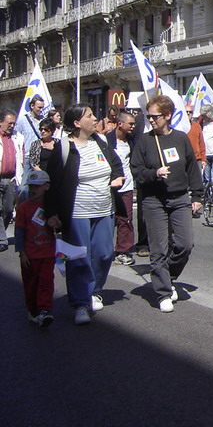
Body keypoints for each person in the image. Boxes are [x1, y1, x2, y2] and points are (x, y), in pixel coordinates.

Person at [44, 104, 125, 325]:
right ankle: (80, 303)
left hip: (104, 210)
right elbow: (50, 184)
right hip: (77, 212)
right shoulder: (63, 149)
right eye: (89, 116)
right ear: (77, 123)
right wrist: (51, 213)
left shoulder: (101, 142)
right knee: (78, 257)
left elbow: (116, 166)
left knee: (105, 253)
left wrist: (118, 178)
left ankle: (94, 290)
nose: (95, 118)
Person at [130, 95, 204, 312]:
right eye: (149, 116)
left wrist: (198, 196)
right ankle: (163, 292)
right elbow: (136, 170)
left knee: (184, 244)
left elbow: (192, 168)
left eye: (155, 116)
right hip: (154, 200)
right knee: (159, 248)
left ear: (167, 116)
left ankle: (167, 276)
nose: (151, 120)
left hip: (179, 198)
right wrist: (154, 173)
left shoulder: (181, 138)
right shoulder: (144, 141)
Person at [14, 170, 56, 327]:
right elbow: (19, 232)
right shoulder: (24, 207)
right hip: (30, 254)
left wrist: (57, 223)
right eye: (31, 186)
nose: (33, 189)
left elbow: (59, 226)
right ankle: (33, 310)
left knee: (46, 281)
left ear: (46, 186)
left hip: (47, 252)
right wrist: (21, 253)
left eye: (37, 186)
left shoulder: (51, 206)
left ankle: (44, 310)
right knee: (31, 283)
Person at [107, 110, 138, 266]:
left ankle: (123, 251)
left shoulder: (132, 141)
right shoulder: (106, 141)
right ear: (120, 124)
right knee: (107, 220)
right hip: (109, 187)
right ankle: (104, 250)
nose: (133, 126)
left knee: (125, 219)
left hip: (126, 187)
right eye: (130, 124)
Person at [0, 109, 25, 252]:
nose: (12, 126)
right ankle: (2, 240)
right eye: (9, 123)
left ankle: (1, 232)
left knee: (8, 209)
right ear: (1, 122)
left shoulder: (18, 137)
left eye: (14, 124)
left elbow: (21, 158)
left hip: (11, 179)